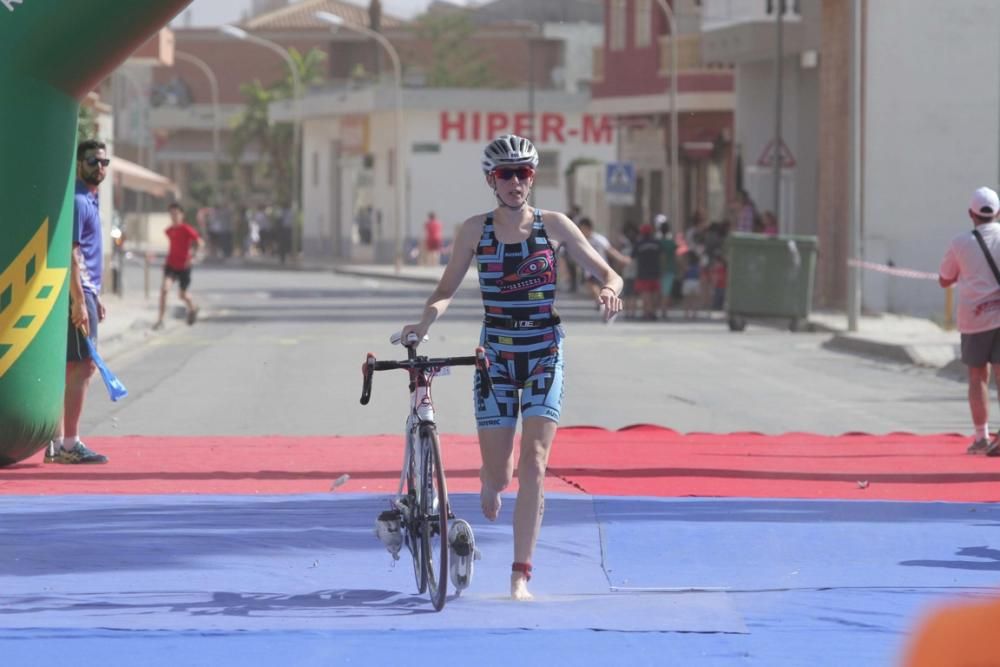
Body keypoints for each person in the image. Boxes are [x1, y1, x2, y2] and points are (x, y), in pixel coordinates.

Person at [399, 134, 623, 601]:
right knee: (501, 475)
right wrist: (422, 325)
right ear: (491, 181)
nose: (516, 182)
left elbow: (609, 272)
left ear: (532, 179)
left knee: (535, 464)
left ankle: (520, 574)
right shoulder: (474, 231)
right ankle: (488, 478)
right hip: (495, 356)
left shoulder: (555, 226)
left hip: (544, 351)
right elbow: (445, 291)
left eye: (524, 173)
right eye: (507, 174)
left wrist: (609, 290)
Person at [45, 140, 111, 464]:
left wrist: (93, 296)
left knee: (72, 367)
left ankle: (57, 441)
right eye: (92, 161)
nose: (99, 167)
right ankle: (69, 444)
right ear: (79, 163)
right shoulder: (78, 201)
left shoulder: (90, 200)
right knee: (82, 368)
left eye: (104, 162)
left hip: (86, 292)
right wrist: (79, 301)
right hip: (77, 293)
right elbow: (71, 254)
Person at [938, 186, 1000, 456]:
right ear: (998, 213)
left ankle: (981, 437)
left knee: (978, 377)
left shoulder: (960, 243)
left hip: (975, 319)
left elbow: (944, 279)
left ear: (970, 214)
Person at [153, 202, 201, 330]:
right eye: (171, 214)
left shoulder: (186, 229)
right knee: (164, 289)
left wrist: (194, 256)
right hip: (171, 265)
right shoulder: (169, 231)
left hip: (185, 266)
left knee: (182, 295)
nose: (174, 216)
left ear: (182, 215)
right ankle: (160, 320)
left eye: (176, 214)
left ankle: (193, 308)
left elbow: (200, 242)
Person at [578, 217, 631, 306]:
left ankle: (605, 303)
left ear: (589, 228)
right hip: (588, 268)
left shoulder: (598, 239)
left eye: (583, 229)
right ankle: (601, 303)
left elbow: (609, 250)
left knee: (600, 286)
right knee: (591, 285)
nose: (582, 231)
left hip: (601, 266)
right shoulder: (581, 239)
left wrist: (621, 259)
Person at [632, 222, 662, 320]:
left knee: (645, 294)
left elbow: (633, 257)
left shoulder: (639, 244)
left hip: (643, 273)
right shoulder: (656, 243)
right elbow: (662, 256)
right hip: (655, 272)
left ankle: (647, 313)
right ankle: (653, 312)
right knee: (654, 294)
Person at [656, 214, 678, 319]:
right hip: (669, 269)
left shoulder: (658, 242)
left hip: (658, 270)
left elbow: (661, 256)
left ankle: (659, 309)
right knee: (666, 291)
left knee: (659, 291)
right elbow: (676, 256)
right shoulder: (672, 242)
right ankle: (663, 311)